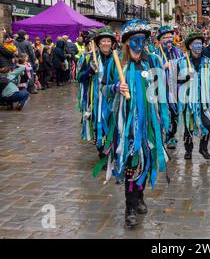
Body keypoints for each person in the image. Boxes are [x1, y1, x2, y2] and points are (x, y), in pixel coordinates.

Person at [100, 19, 170, 229]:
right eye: (134, 41)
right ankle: (130, 208)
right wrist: (114, 87)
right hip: (126, 126)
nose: (139, 45)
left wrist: (163, 118)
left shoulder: (153, 61)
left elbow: (161, 92)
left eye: (143, 40)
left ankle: (139, 196)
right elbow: (103, 89)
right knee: (131, 163)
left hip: (148, 123)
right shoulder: (115, 63)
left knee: (145, 161)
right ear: (127, 43)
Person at [176, 30, 210, 160]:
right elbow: (176, 79)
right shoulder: (182, 61)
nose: (199, 46)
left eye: (200, 43)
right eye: (196, 43)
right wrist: (185, 77)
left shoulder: (208, 62)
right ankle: (188, 150)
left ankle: (203, 148)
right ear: (190, 46)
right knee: (189, 125)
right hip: (189, 100)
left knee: (208, 124)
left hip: (204, 100)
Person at [77, 26, 117, 159]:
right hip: (96, 100)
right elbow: (79, 78)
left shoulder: (118, 58)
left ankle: (113, 149)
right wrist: (90, 70)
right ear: (98, 44)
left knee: (114, 123)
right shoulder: (89, 58)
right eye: (103, 41)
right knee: (98, 122)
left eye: (108, 41)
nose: (106, 44)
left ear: (112, 43)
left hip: (114, 98)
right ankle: (102, 151)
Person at [155, 25, 183, 150]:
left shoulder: (178, 52)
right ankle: (163, 136)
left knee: (175, 113)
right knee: (163, 113)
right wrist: (162, 67)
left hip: (176, 89)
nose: (168, 39)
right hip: (161, 90)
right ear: (160, 40)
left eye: (170, 37)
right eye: (165, 37)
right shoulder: (155, 54)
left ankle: (171, 136)